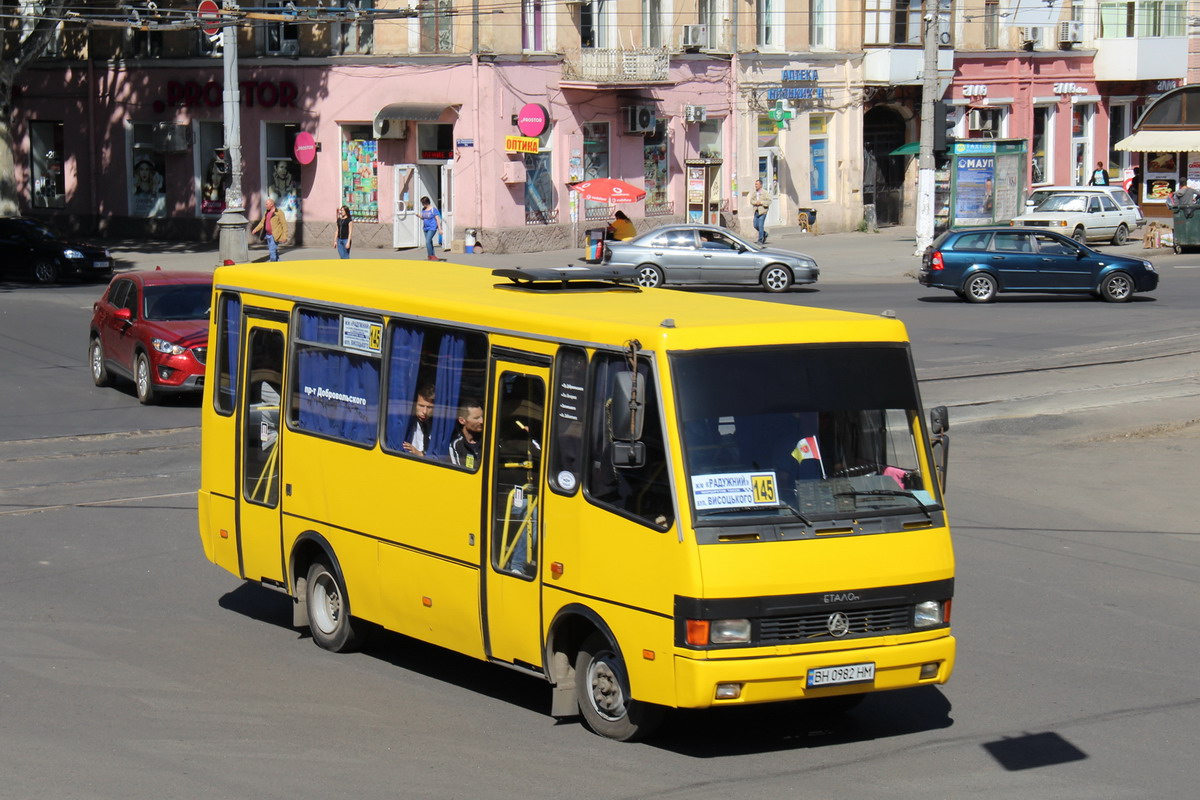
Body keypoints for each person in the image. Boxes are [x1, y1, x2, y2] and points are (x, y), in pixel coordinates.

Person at [449, 398, 484, 470]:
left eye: (482, 417)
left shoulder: (488, 440)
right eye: (476, 418)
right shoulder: (456, 445)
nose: (482, 421)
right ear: (462, 421)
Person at [251, 197, 288, 262]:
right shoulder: (266, 212)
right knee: (274, 251)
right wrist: (256, 229)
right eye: (265, 204)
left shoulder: (279, 212)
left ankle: (272, 265)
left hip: (275, 235)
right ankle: (280, 264)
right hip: (268, 235)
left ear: (272, 204)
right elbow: (262, 222)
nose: (265, 206)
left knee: (272, 251)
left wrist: (285, 236)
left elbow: (284, 224)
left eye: (267, 204)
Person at [403, 383, 436, 456]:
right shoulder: (407, 423)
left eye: (429, 407)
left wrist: (420, 454)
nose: (425, 412)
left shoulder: (436, 425)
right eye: (421, 406)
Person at [420, 196, 443, 261]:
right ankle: (432, 255)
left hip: (432, 228)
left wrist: (440, 229)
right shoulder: (423, 209)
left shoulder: (433, 209)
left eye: (423, 203)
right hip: (425, 228)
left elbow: (437, 219)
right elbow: (423, 217)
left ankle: (430, 255)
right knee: (429, 242)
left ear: (426, 202)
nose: (423, 205)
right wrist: (419, 216)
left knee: (427, 241)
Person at [749, 178, 770, 245]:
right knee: (755, 225)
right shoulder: (755, 193)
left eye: (757, 184)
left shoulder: (765, 192)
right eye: (755, 184)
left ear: (761, 185)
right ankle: (764, 233)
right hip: (756, 211)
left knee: (761, 226)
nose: (756, 186)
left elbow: (769, 201)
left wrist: (761, 202)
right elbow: (751, 201)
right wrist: (756, 202)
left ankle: (760, 240)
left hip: (763, 211)